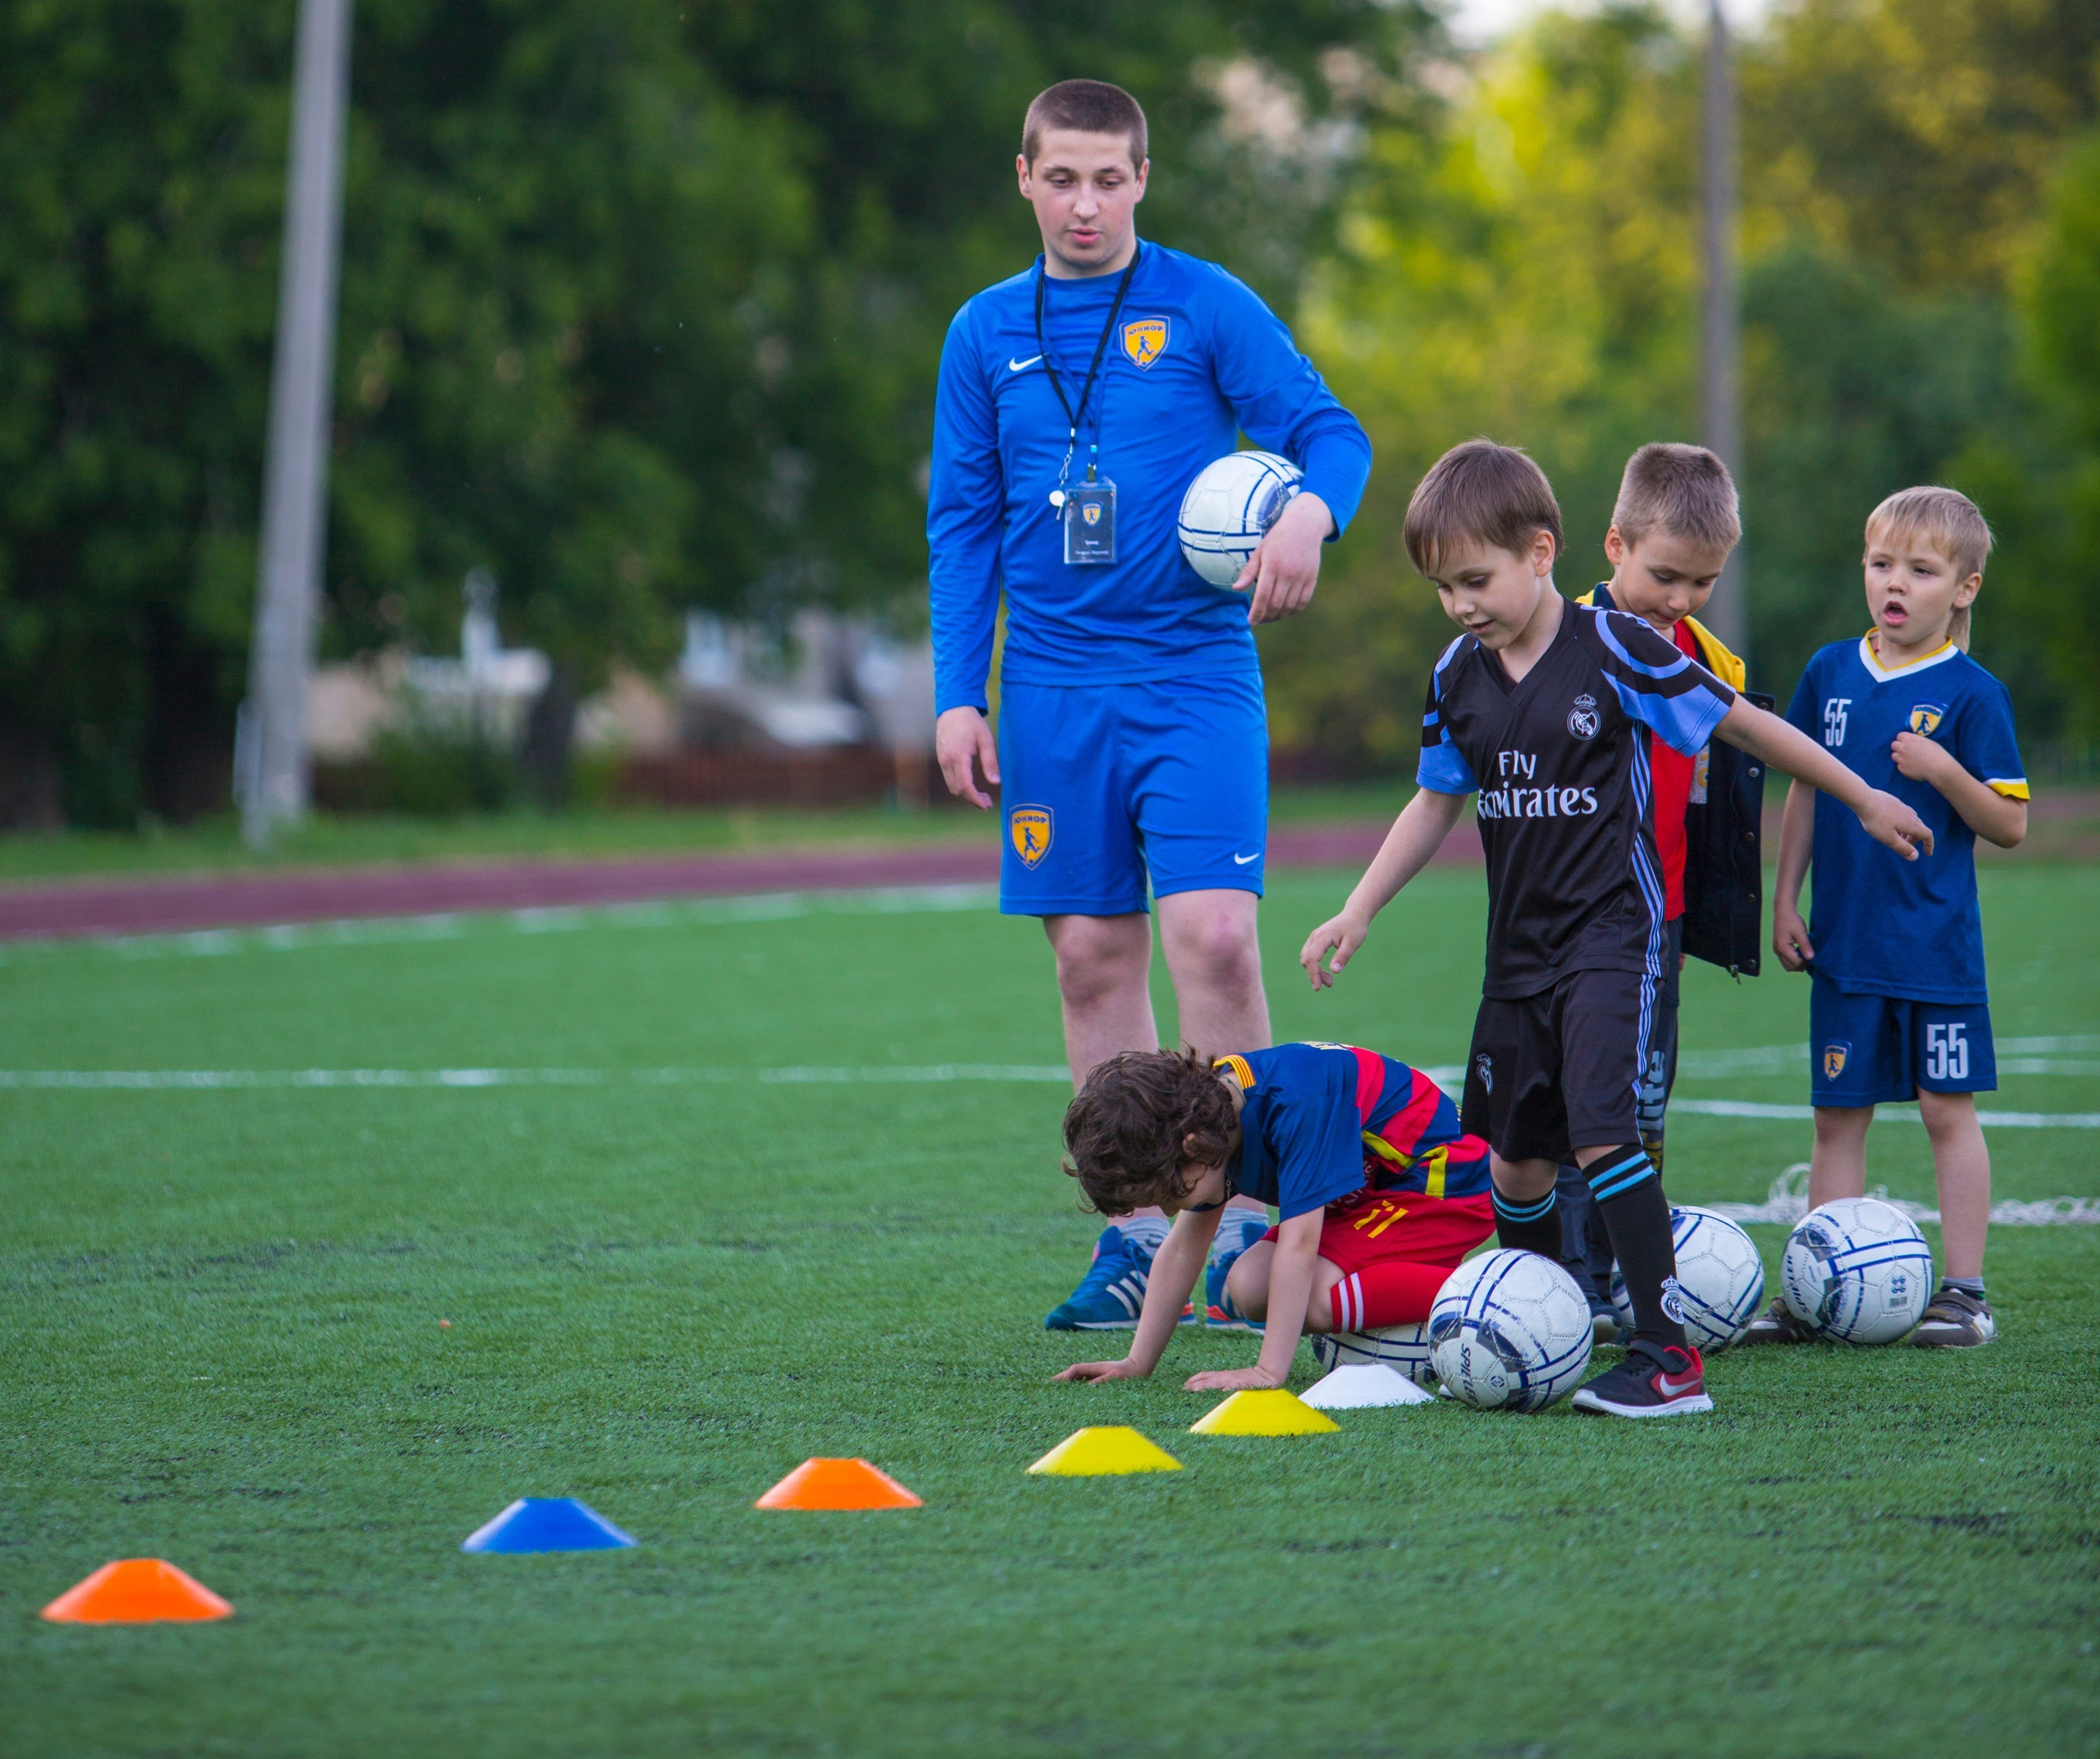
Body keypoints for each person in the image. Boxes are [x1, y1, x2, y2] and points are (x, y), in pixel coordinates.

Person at [1297, 441, 1934, 1418]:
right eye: (1442, 588)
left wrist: (1858, 796)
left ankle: (1664, 1353)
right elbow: (1434, 802)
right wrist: (1359, 904)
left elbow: (1743, 726)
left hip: (1613, 939)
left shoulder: (1620, 646)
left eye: (1476, 579)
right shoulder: (1455, 674)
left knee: (1602, 1128)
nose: (1461, 603)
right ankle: (1533, 1318)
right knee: (1511, 1159)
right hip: (1515, 954)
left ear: (1542, 551)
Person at [925, 80, 1372, 1331]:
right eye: (1061, 178)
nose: (1084, 203)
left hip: (1193, 677)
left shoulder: (1202, 301)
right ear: (1024, 177)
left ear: (1141, 179)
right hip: (1055, 694)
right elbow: (960, 526)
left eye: (1108, 179)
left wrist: (1307, 510)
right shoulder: (982, 332)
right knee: (1089, 960)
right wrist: (960, 694)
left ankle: (1248, 1218)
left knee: (1219, 942)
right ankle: (1132, 1237)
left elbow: (1330, 432)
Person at [1752, 487, 2026, 1349]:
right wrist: (1785, 895)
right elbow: (1801, 785)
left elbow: (2010, 824)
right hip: (1844, 945)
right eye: (1880, 564)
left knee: (1948, 1110)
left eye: (1919, 568)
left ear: (1964, 587)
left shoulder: (1973, 694)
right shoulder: (1830, 672)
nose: (1894, 584)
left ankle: (1965, 1293)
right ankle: (1814, 1290)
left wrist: (1944, 770)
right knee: (1835, 1120)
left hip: (1934, 951)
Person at [1553, 444, 1768, 1341]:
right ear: (1614, 545)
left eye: (1701, 581)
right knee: (1577, 1109)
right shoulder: (1556, 637)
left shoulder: (1716, 662)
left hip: (1660, 921)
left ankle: (1620, 1276)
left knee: (1642, 1106)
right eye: (1664, 575)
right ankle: (1563, 1280)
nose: (1678, 599)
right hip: (1568, 922)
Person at [1050, 1044, 1496, 1392]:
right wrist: (1136, 1363)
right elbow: (1184, 1246)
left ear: (1189, 1146)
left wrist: (1268, 1370)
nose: (1169, 1210)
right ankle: (1415, 1283)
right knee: (1248, 1285)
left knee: (1317, 1297)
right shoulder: (1209, 1117)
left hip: (1441, 1183)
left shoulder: (1295, 1104)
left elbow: (1300, 1246)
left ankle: (1490, 1296)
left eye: (1167, 1193)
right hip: (1370, 1193)